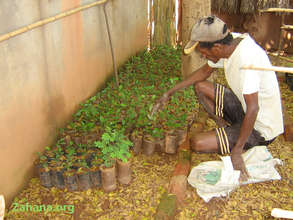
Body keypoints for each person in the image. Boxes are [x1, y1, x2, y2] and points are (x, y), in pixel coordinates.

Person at [152, 15, 284, 181]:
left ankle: (239, 139)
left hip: (260, 128)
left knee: (197, 143)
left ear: (216, 48)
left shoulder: (246, 61)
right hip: (244, 110)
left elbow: (254, 108)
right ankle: (226, 127)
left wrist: (237, 151)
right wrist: (169, 92)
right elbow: (203, 73)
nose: (204, 57)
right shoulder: (230, 43)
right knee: (200, 86)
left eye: (204, 53)